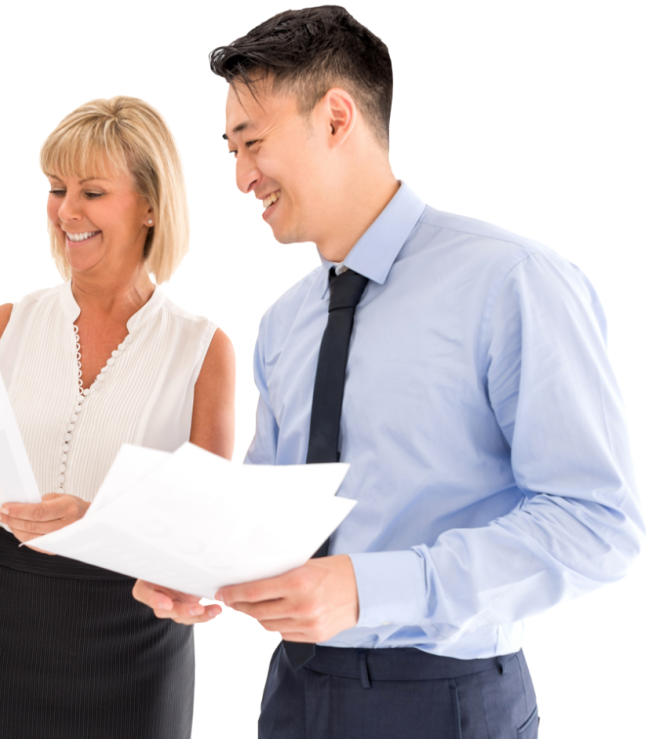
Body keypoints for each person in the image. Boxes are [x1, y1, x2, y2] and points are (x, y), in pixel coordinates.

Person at [131, 6, 643, 738]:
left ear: (336, 118)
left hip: (448, 700)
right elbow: (271, 505)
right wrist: (199, 566)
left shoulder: (513, 281)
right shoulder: (283, 321)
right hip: (292, 690)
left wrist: (373, 588)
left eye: (253, 145)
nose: (240, 178)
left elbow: (598, 521)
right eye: (230, 152)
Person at [0, 94, 237, 738]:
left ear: (149, 204)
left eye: (92, 191)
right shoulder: (4, 326)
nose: (66, 211)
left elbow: (206, 543)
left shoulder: (203, 348)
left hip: (134, 627)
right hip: (3, 616)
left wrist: (101, 521)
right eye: (56, 189)